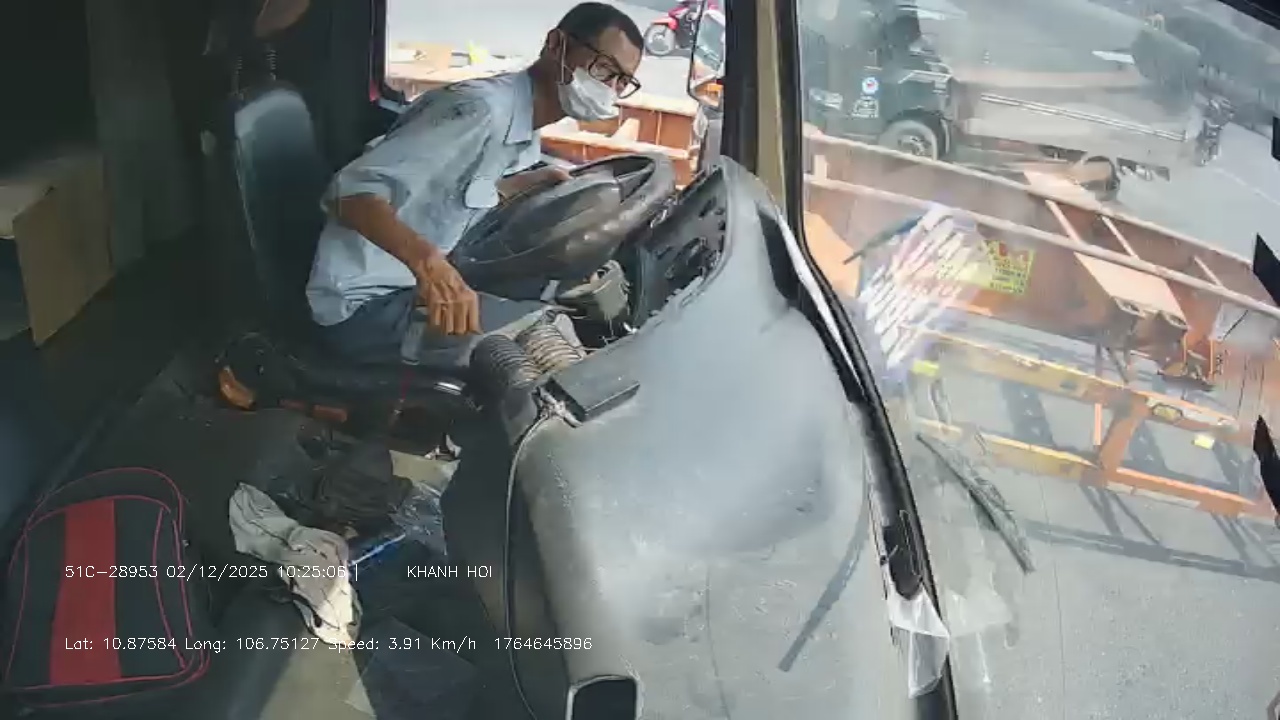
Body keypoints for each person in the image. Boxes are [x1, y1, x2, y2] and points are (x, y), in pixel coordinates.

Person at [306, 2, 644, 364]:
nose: (609, 88)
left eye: (622, 81)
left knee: (554, 292)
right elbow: (350, 194)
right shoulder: (480, 112)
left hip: (410, 283)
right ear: (556, 44)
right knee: (544, 343)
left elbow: (449, 196)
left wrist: (530, 183)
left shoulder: (523, 123)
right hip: (366, 305)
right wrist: (432, 268)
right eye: (603, 68)